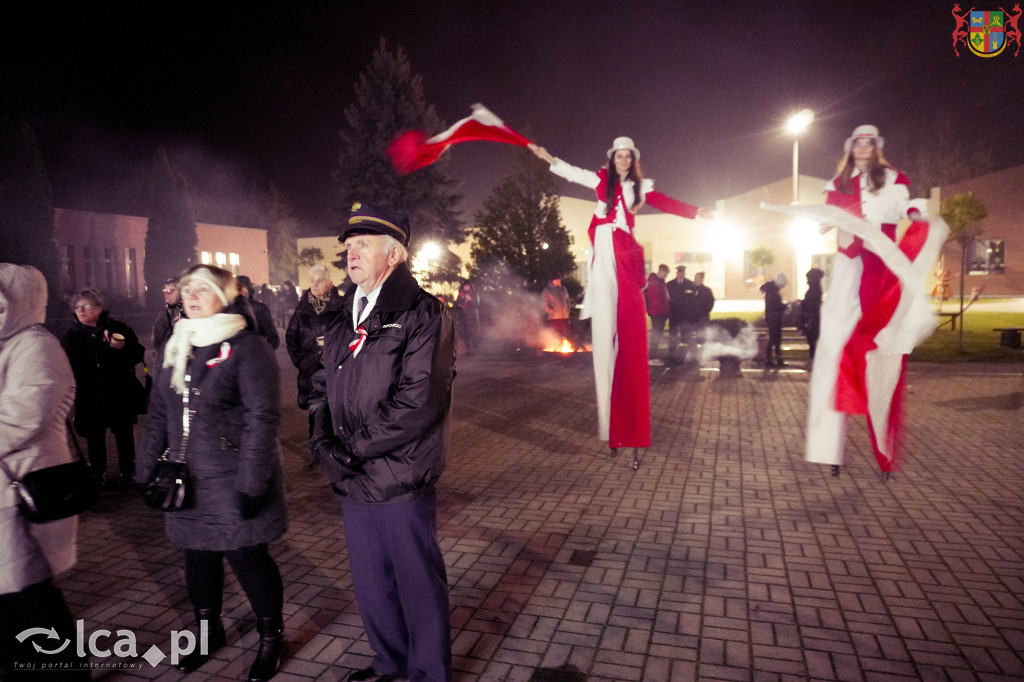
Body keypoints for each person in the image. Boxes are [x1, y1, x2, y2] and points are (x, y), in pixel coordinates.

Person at [309, 202, 456, 682]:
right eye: (348, 246)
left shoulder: (422, 312)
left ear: (393, 255)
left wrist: (351, 450)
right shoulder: (337, 313)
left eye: (362, 245)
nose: (350, 254)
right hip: (352, 475)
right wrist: (321, 443)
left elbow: (419, 401)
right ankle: (389, 662)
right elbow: (317, 386)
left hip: (399, 474)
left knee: (416, 582)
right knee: (372, 582)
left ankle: (428, 673)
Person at [138, 265, 288, 681]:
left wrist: (252, 481)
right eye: (187, 289)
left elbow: (263, 417)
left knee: (248, 557)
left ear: (224, 295)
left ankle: (271, 638)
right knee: (198, 557)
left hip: (232, 476)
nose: (191, 295)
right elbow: (158, 413)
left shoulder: (247, 346)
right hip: (187, 476)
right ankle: (208, 632)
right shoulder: (175, 344)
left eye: (203, 289)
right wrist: (144, 467)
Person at [529, 138, 712, 453]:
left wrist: (696, 212)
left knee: (628, 313)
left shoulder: (641, 188)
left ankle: (625, 402)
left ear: (632, 160)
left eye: (628, 156)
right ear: (612, 158)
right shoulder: (601, 180)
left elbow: (666, 202)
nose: (624, 160)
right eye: (619, 156)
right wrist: (547, 157)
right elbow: (572, 173)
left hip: (624, 251)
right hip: (603, 247)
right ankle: (603, 315)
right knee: (604, 314)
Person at [807, 124, 940, 480]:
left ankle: (883, 447)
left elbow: (907, 209)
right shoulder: (838, 185)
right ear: (850, 147)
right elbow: (826, 217)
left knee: (881, 352)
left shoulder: (894, 179)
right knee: (832, 351)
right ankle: (827, 449)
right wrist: (823, 222)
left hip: (878, 269)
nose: (863, 147)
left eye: (869, 142)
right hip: (846, 270)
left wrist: (914, 214)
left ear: (875, 148)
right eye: (858, 142)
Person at [0, 264, 90, 680]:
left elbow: (22, 416)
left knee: (30, 595)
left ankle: (67, 671)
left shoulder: (36, 345)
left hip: (22, 491)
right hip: (6, 491)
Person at [61, 288, 144, 486]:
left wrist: (124, 349)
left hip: (118, 392)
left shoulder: (118, 328)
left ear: (99, 308)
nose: (80, 311)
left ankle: (128, 471)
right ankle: (98, 473)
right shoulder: (72, 337)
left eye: (86, 306)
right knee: (94, 436)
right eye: (77, 307)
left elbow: (138, 353)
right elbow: (63, 364)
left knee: (123, 433)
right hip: (89, 395)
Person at [285, 265, 342, 469]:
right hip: (311, 372)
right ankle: (317, 453)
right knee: (316, 415)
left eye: (319, 281)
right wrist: (301, 360)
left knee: (337, 414)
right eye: (312, 281)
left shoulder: (340, 307)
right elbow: (291, 338)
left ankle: (336, 453)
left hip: (336, 371)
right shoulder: (302, 309)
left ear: (329, 283)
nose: (315, 285)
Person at [238, 275, 281, 349]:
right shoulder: (261, 308)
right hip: (256, 351)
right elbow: (274, 338)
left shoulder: (229, 309)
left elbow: (273, 338)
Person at [666, 265, 698, 363]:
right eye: (679, 273)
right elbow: (667, 299)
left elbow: (693, 300)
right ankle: (672, 354)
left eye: (682, 273)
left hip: (685, 315)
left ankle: (682, 355)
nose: (680, 274)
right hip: (674, 314)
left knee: (685, 336)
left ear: (684, 274)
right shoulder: (670, 284)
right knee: (672, 335)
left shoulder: (690, 284)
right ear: (677, 274)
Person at [760, 273, 788, 367]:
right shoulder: (772, 291)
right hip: (773, 317)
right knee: (774, 338)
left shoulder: (772, 290)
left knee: (776, 339)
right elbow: (775, 305)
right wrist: (784, 306)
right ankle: (770, 359)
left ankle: (777, 358)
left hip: (773, 317)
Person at [645, 264, 670, 364]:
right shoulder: (655, 281)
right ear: (661, 271)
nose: (666, 275)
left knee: (658, 335)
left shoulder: (660, 281)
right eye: (665, 273)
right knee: (656, 336)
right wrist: (663, 311)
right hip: (657, 313)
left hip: (660, 313)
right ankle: (652, 358)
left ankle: (653, 357)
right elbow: (656, 299)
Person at [152, 276, 184, 352]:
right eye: (165, 291)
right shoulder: (164, 314)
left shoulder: (188, 311)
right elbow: (157, 341)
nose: (167, 294)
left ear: (180, 291)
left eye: (171, 291)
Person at [800, 268, 824, 361]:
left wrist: (804, 305)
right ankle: (813, 357)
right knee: (812, 339)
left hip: (812, 318)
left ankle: (814, 358)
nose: (807, 280)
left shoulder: (814, 290)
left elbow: (812, 304)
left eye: (808, 278)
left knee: (812, 338)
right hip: (812, 317)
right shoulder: (815, 289)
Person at [454, 279, 480, 356]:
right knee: (465, 334)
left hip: (472, 318)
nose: (466, 287)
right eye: (465, 286)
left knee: (472, 334)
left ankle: (474, 349)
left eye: (467, 286)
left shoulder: (474, 294)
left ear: (470, 287)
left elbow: (477, 305)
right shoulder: (460, 294)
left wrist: (470, 300)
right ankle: (468, 350)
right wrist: (460, 304)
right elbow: (457, 304)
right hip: (463, 317)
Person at [542, 275, 572, 340]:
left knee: (567, 335)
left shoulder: (563, 289)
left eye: (559, 280)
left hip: (565, 317)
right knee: (555, 335)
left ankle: (566, 347)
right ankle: (555, 348)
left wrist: (568, 310)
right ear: (553, 281)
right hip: (554, 318)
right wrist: (551, 311)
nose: (559, 281)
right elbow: (543, 304)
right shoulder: (547, 290)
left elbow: (568, 301)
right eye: (557, 280)